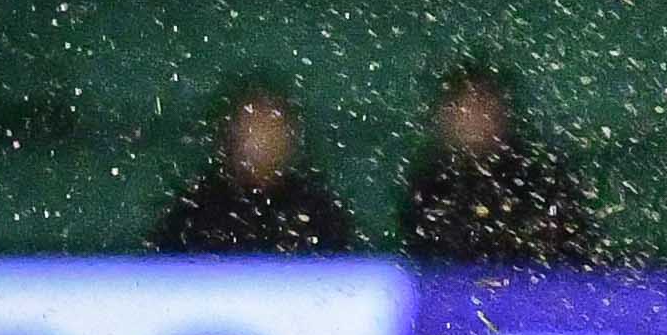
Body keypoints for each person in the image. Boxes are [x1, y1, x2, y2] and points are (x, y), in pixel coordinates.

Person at [398, 61, 599, 266]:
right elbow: (425, 257)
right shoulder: (432, 184)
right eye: (463, 105)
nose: (472, 115)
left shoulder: (538, 176)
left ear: (502, 110)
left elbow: (566, 251)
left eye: (482, 104)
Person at [147, 78, 360, 255]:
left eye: (270, 133)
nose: (260, 144)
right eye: (251, 132)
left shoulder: (317, 214)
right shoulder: (195, 214)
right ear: (227, 137)